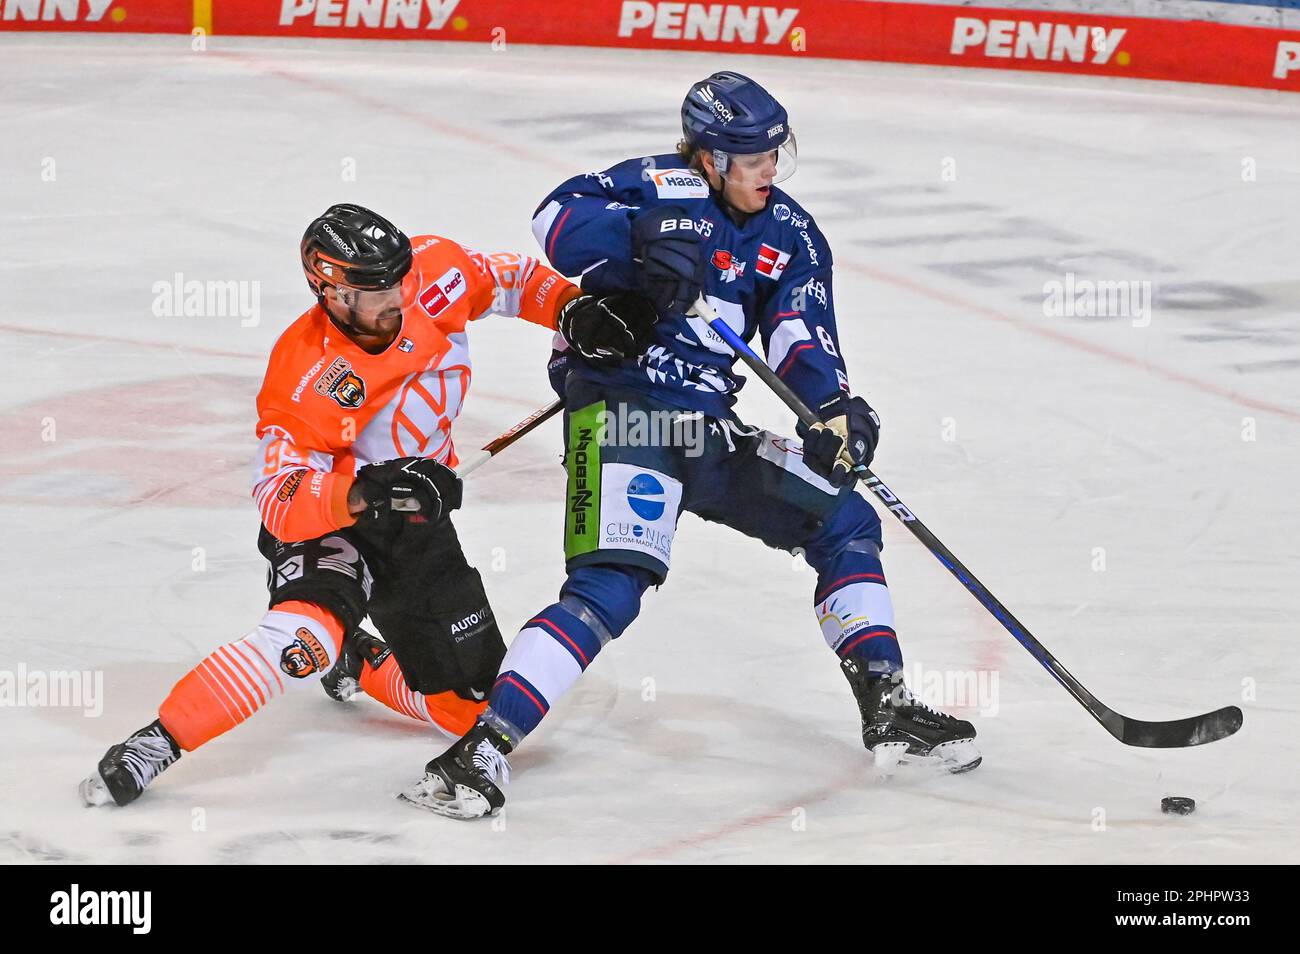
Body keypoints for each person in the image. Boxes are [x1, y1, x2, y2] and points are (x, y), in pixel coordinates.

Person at [400, 73, 980, 820]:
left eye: (777, 152)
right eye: (752, 157)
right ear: (708, 158)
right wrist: (642, 237)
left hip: (708, 430)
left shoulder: (791, 234)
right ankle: (479, 750)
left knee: (844, 520)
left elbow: (801, 333)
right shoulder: (654, 184)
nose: (770, 169)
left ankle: (888, 703)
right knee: (611, 585)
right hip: (624, 418)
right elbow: (554, 219)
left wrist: (835, 409)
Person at [80, 203, 648, 807]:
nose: (400, 296)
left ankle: (363, 659)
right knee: (303, 639)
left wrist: (571, 308)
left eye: (400, 277)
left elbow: (508, 278)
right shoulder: (304, 372)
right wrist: (369, 490)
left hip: (413, 520)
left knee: (470, 713)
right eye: (378, 290)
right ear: (332, 294)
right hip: (335, 522)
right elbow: (280, 499)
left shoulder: (432, 273)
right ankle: (156, 743)